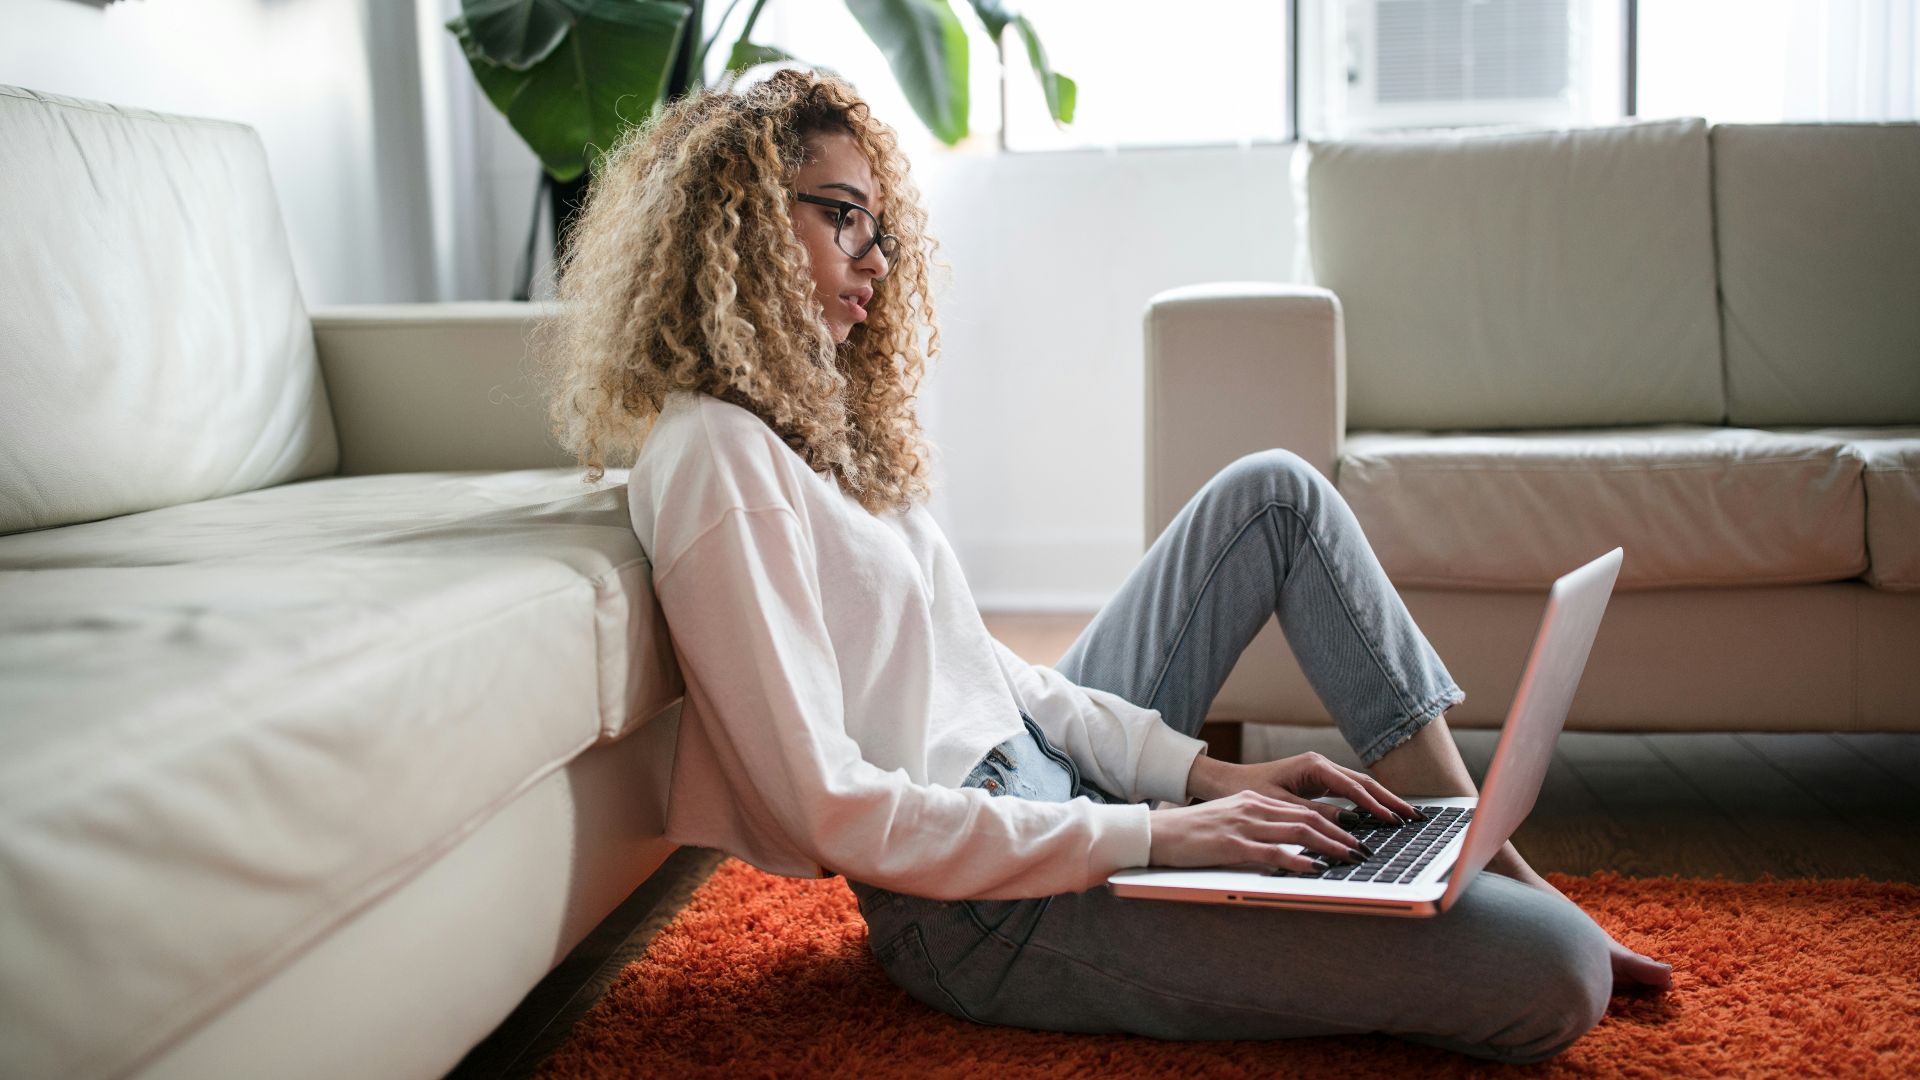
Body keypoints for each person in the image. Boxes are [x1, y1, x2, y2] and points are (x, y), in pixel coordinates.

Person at [533, 67, 1670, 1065]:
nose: (874, 258)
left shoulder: (819, 430)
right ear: (735, 224)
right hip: (976, 909)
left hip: (1045, 787)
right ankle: (1483, 899)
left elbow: (991, 674)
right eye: (842, 217)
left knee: (1273, 491)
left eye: (879, 224)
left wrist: (1198, 779)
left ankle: (1472, 850)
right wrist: (1154, 834)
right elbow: (830, 808)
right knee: (1557, 974)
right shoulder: (713, 459)